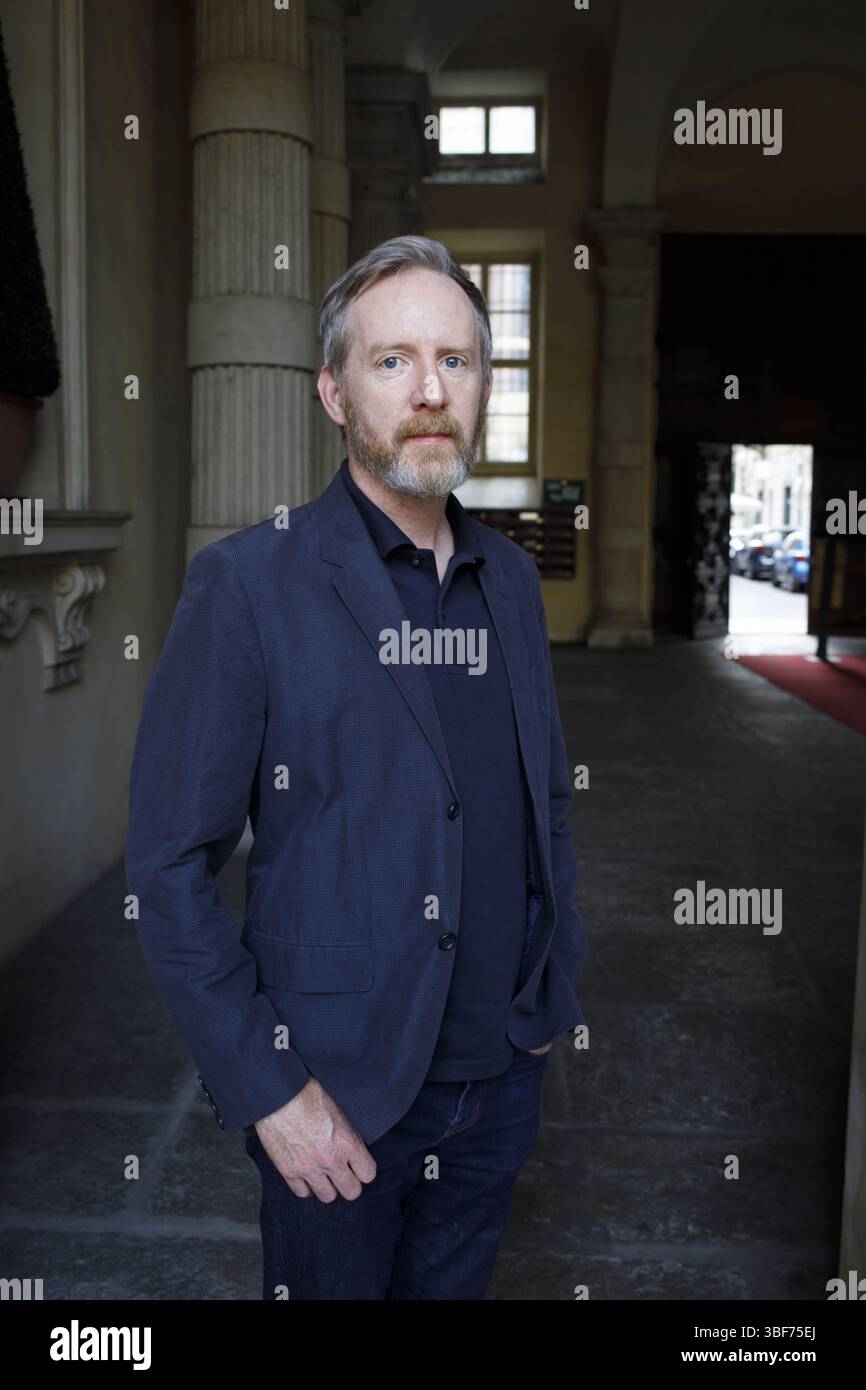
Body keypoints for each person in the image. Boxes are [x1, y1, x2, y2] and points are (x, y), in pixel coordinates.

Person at [125, 235, 588, 1300]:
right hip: (334, 1091)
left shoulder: (511, 580)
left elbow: (541, 804)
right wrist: (269, 1089)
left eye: (458, 361)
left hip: (498, 1078)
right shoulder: (247, 584)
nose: (430, 390)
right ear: (333, 391)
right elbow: (165, 866)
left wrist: (545, 988)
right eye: (392, 362)